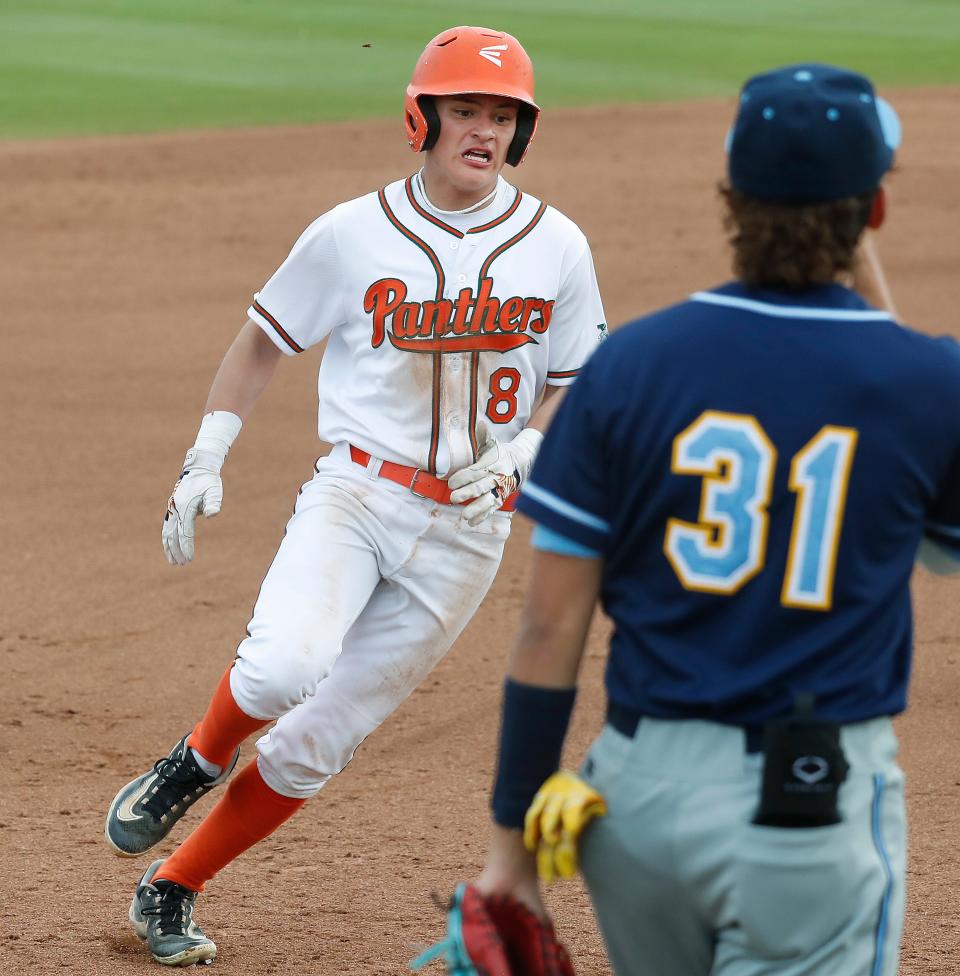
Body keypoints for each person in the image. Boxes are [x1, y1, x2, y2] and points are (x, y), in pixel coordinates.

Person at [103, 25, 606, 967]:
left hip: (468, 531)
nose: (484, 131)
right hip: (357, 495)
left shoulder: (558, 245)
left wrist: (526, 455)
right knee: (279, 671)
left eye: (503, 116)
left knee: (312, 748)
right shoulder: (352, 232)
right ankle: (197, 759)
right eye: (467, 110)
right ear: (423, 116)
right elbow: (264, 340)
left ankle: (172, 886)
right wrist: (207, 457)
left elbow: (578, 376)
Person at [474, 63, 960, 976]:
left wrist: (511, 849)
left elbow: (548, 627)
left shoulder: (629, 369)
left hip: (634, 808)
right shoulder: (930, 384)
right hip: (804, 821)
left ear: (732, 199)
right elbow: (944, 547)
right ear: (875, 215)